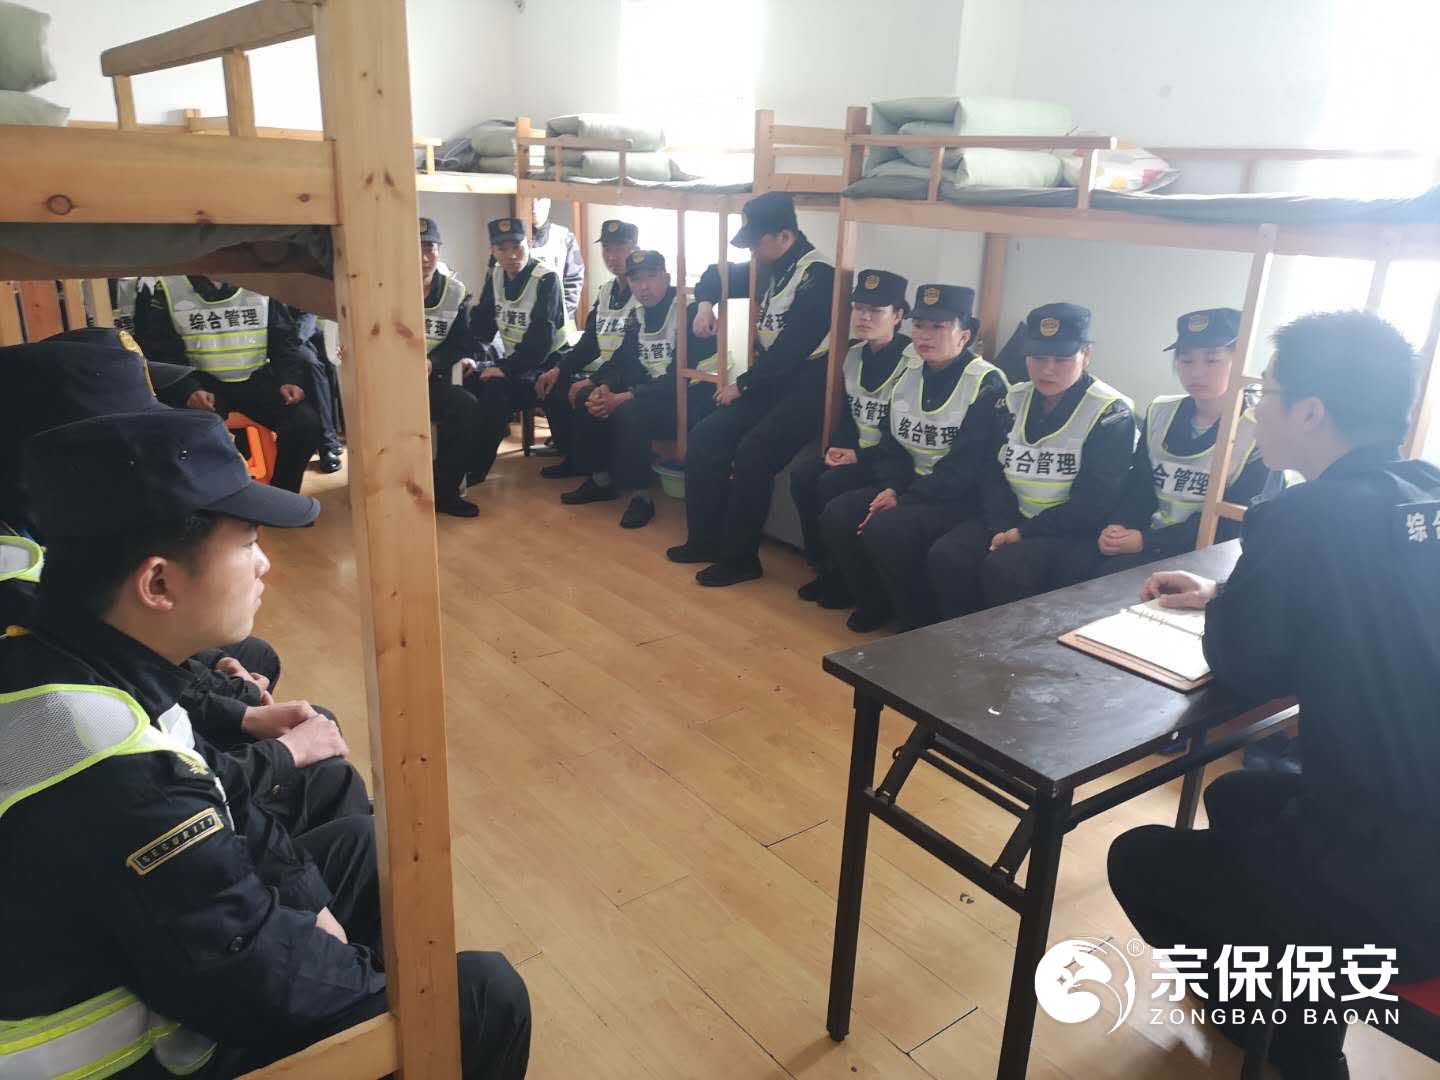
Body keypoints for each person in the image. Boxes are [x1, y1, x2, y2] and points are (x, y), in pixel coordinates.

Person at [0, 407, 530, 1079]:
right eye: (248, 543)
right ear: (158, 583)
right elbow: (256, 984)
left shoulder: (74, 657)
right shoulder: (116, 776)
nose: (264, 564)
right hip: (126, 1059)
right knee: (481, 999)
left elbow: (220, 800)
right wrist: (360, 980)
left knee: (361, 847)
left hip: (140, 961)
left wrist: (310, 906)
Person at [1107, 310, 1440, 1080]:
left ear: (1311, 412)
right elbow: (1370, 603)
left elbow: (1246, 667)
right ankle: (1286, 1007)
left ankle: (1295, 1045)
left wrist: (1235, 606)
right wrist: (1233, 592)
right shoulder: (1423, 493)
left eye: (1266, 393)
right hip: (1421, 831)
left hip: (1393, 881)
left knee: (1138, 858)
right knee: (1238, 797)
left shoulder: (1299, 516)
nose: (1254, 409)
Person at [0, 328, 370, 832]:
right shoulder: (19, 582)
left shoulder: (54, 520)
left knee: (253, 666)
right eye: (137, 424)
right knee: (344, 815)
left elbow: (130, 650)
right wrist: (275, 753)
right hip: (149, 796)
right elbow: (153, 756)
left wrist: (222, 690)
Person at [666, 191, 836, 586]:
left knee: (753, 453)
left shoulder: (818, 276)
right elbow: (716, 273)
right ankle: (704, 540)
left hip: (809, 388)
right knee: (706, 436)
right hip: (771, 382)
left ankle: (741, 560)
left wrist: (742, 384)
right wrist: (705, 305)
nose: (752, 252)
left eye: (756, 242)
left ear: (785, 236)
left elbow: (795, 347)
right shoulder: (771, 265)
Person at [926, 303, 1136, 618]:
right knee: (948, 555)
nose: (1047, 370)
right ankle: (959, 639)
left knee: (1006, 567)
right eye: (1037, 358)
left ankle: (1005, 647)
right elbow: (992, 471)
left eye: (1061, 359)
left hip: (1068, 530)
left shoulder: (1111, 413)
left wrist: (1023, 533)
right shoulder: (1012, 399)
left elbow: (1094, 502)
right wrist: (1003, 525)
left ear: (1087, 354)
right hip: (1012, 517)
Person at [820, 285, 1008, 631]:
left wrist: (904, 497)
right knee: (839, 513)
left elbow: (967, 467)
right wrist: (891, 487)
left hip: (960, 497)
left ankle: (917, 623)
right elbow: (891, 444)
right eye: (920, 325)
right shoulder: (909, 373)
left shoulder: (986, 384)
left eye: (938, 327)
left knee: (888, 528)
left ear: (964, 335)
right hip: (912, 486)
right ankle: (875, 602)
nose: (924, 335)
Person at [1092, 307, 1271, 575]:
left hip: (1212, 556)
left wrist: (1147, 541)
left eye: (1212, 361)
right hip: (1150, 544)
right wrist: (1120, 526)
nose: (1197, 373)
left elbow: (1234, 522)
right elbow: (1140, 486)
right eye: (1187, 361)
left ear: (1240, 361)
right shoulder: (1161, 412)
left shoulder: (1259, 427)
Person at [560, 250, 719, 527]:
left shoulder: (689, 311)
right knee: (590, 396)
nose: (643, 287)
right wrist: (604, 385)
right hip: (658, 393)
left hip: (694, 398)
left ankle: (641, 497)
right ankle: (601, 480)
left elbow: (678, 377)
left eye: (650, 277)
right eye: (635, 280)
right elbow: (624, 359)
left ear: (666, 277)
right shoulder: (639, 314)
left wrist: (624, 396)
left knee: (631, 410)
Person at [135, 276, 327, 493]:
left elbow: (283, 339)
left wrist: (289, 379)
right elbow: (160, 351)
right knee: (180, 434)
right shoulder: (168, 287)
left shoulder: (260, 283)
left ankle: (283, 494)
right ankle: (210, 500)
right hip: (202, 384)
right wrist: (188, 388)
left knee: (305, 425)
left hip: (256, 379)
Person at [790, 269, 912, 608]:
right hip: (859, 455)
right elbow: (847, 412)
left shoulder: (912, 362)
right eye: (859, 308)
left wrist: (858, 457)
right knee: (803, 476)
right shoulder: (853, 353)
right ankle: (824, 569)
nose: (864, 317)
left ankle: (849, 581)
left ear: (898, 315)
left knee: (831, 485)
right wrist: (839, 447)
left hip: (892, 463)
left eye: (876, 310)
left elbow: (902, 434)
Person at [535, 219, 641, 476]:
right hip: (609, 371)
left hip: (633, 374)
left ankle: (597, 473)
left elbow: (632, 352)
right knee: (554, 384)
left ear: (635, 249)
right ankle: (572, 457)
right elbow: (590, 342)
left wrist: (593, 380)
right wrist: (560, 369)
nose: (612, 256)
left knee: (584, 393)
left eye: (620, 248)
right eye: (607, 248)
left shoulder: (642, 290)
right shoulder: (607, 291)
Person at [466, 217, 566, 485]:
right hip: (516, 361)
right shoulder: (497, 275)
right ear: (493, 250)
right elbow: (482, 326)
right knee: (466, 380)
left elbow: (540, 344)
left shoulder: (546, 279)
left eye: (517, 247)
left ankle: (474, 470)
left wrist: (503, 368)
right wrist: (469, 357)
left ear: (529, 244)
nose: (511, 255)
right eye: (502, 248)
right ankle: (456, 461)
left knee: (495, 391)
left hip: (548, 363)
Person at [418, 216, 494, 518]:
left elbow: (461, 342)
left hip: (430, 380)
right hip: (389, 382)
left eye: (430, 248)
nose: (424, 257)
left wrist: (432, 361)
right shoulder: (384, 286)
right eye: (415, 248)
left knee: (467, 407)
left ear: (439, 250)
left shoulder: (454, 291)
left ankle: (446, 491)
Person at [528, 196, 585, 328]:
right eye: (530, 199)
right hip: (524, 320)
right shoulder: (515, 240)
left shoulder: (564, 237)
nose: (534, 206)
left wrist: (560, 316)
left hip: (560, 322)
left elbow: (574, 280)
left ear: (548, 202)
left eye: (539, 199)